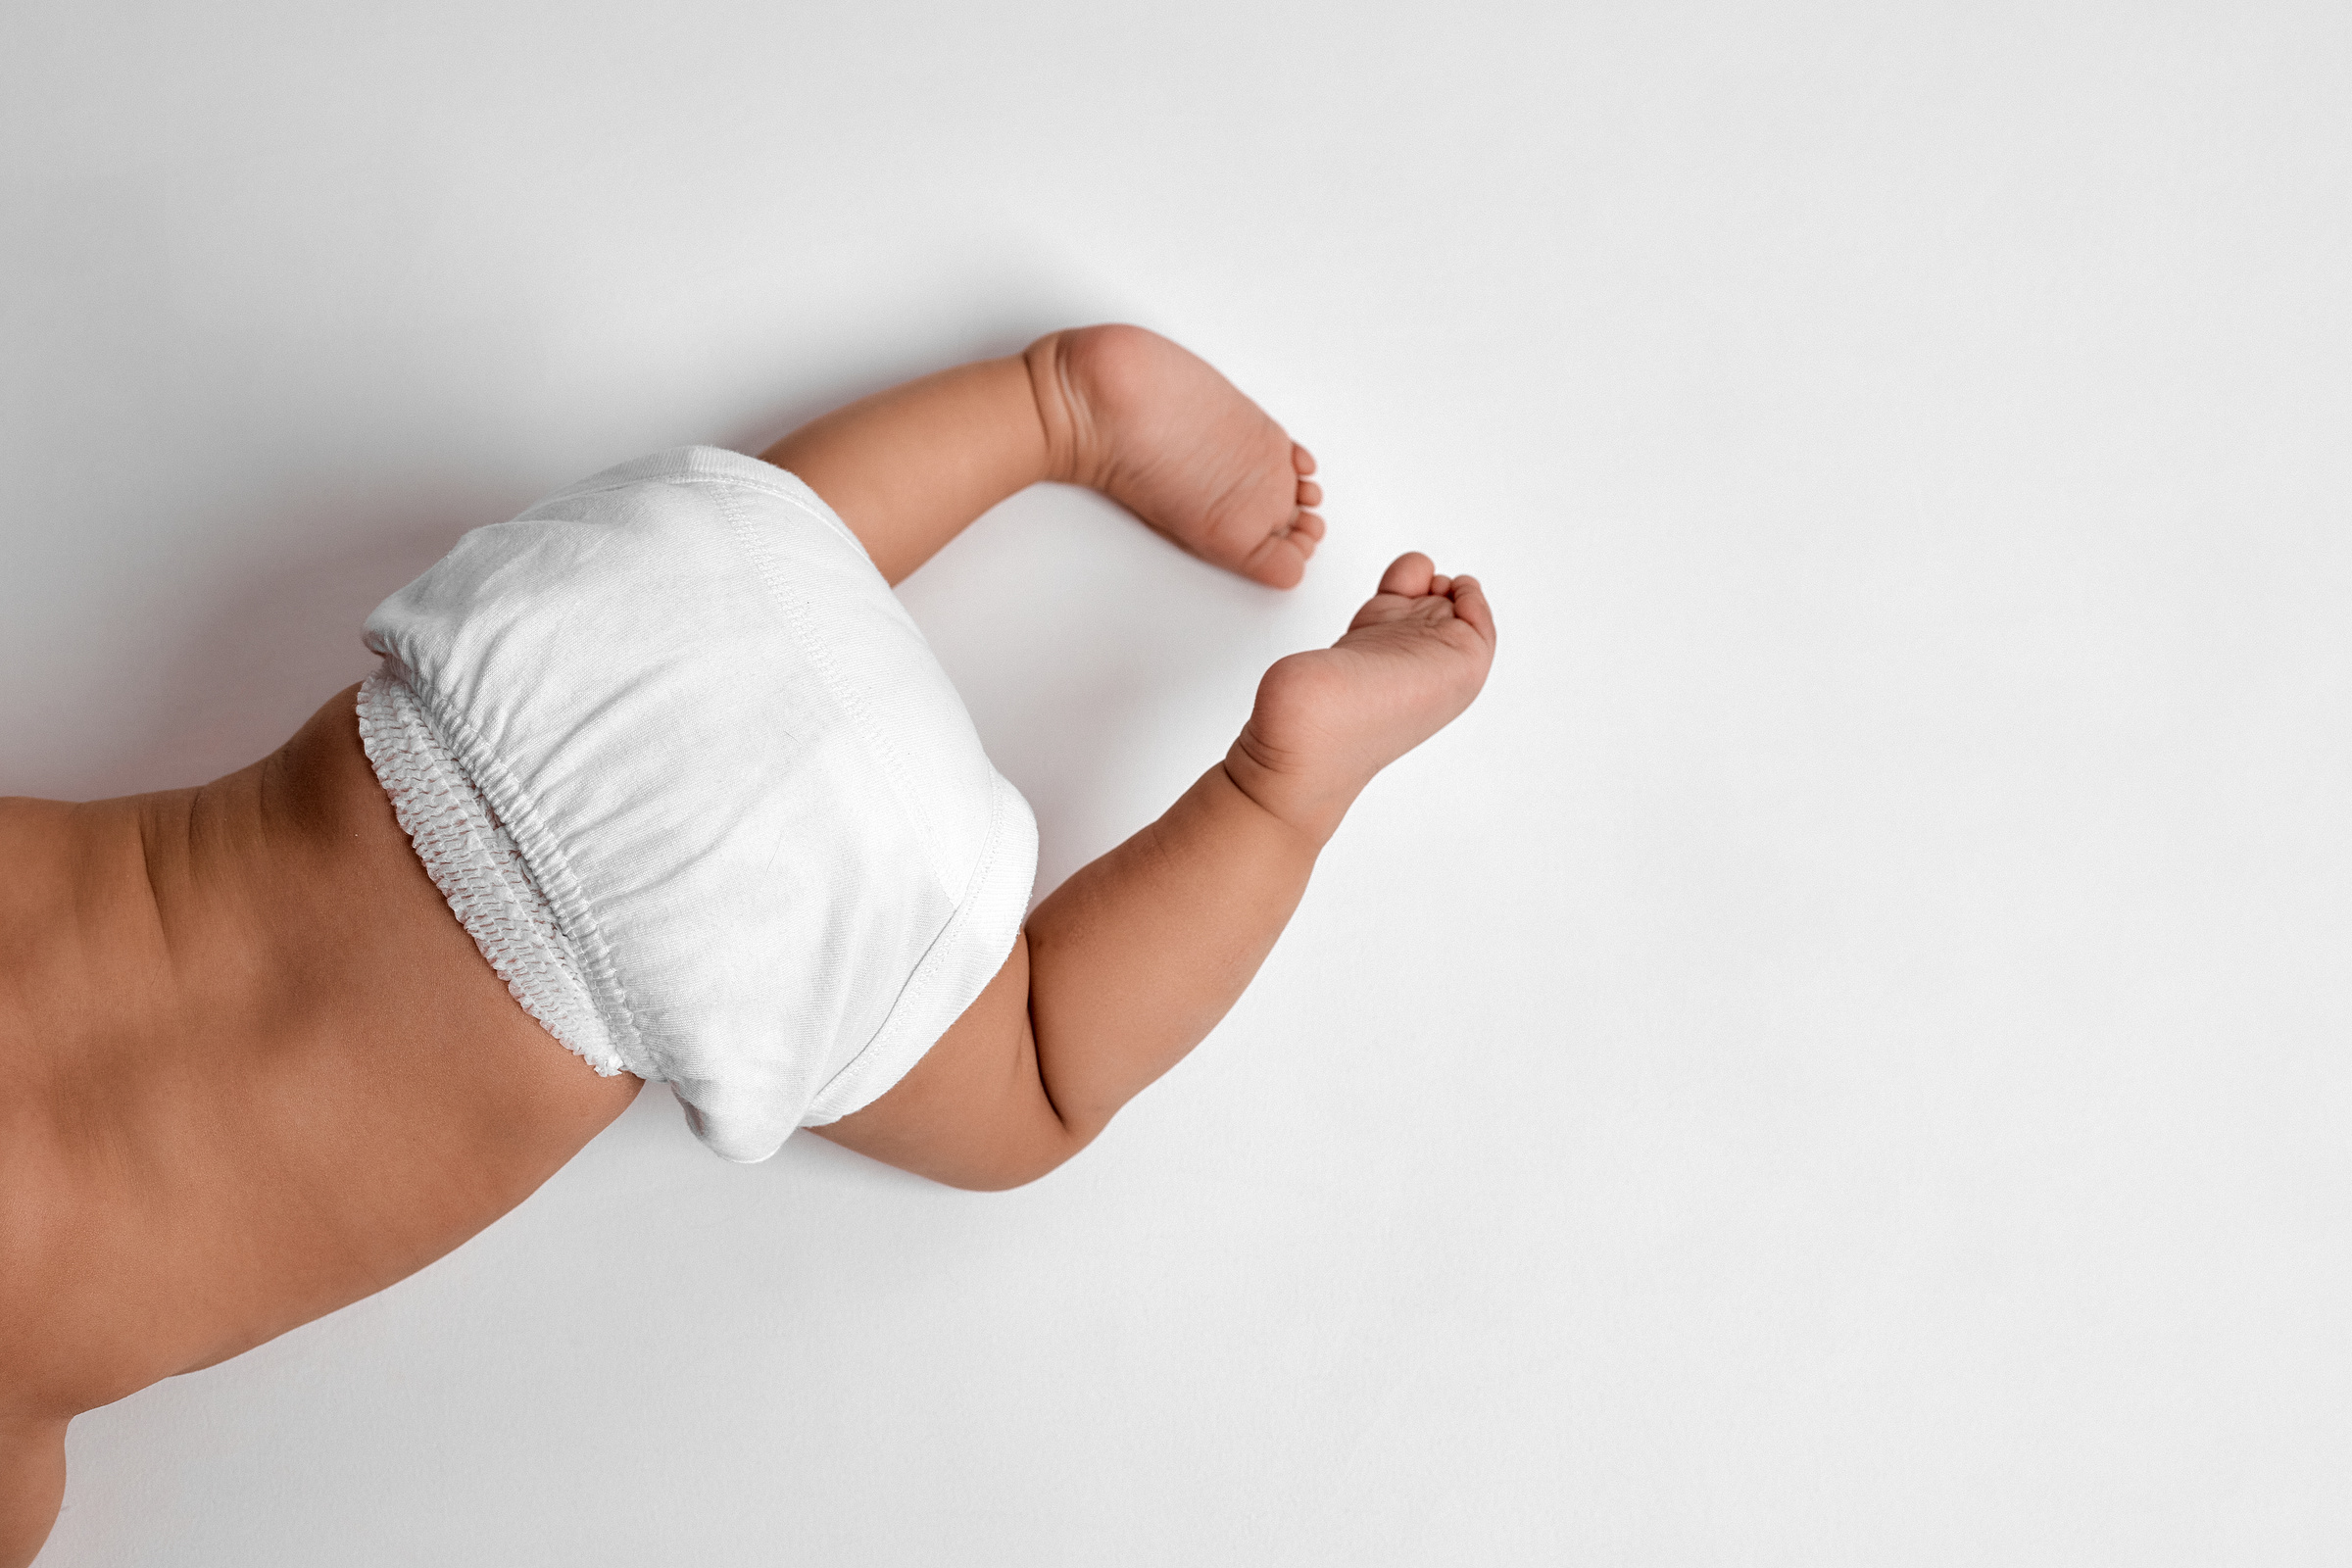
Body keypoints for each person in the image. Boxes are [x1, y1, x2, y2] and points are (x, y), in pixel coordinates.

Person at [0, 323, 1494, 1564]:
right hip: (538, 651)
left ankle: (1277, 789)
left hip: (643, 953)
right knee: (778, 554)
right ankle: (1060, 402)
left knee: (1036, 1081)